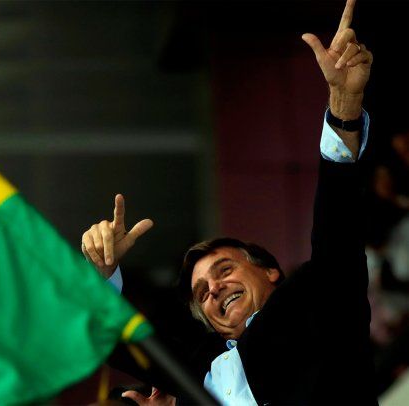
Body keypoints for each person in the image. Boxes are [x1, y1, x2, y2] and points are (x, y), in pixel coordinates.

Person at [81, 0, 376, 404]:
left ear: (270, 271)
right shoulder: (196, 373)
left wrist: (343, 107)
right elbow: (112, 335)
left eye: (224, 270)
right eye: (202, 294)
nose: (215, 289)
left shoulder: (317, 301)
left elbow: (337, 228)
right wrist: (102, 274)